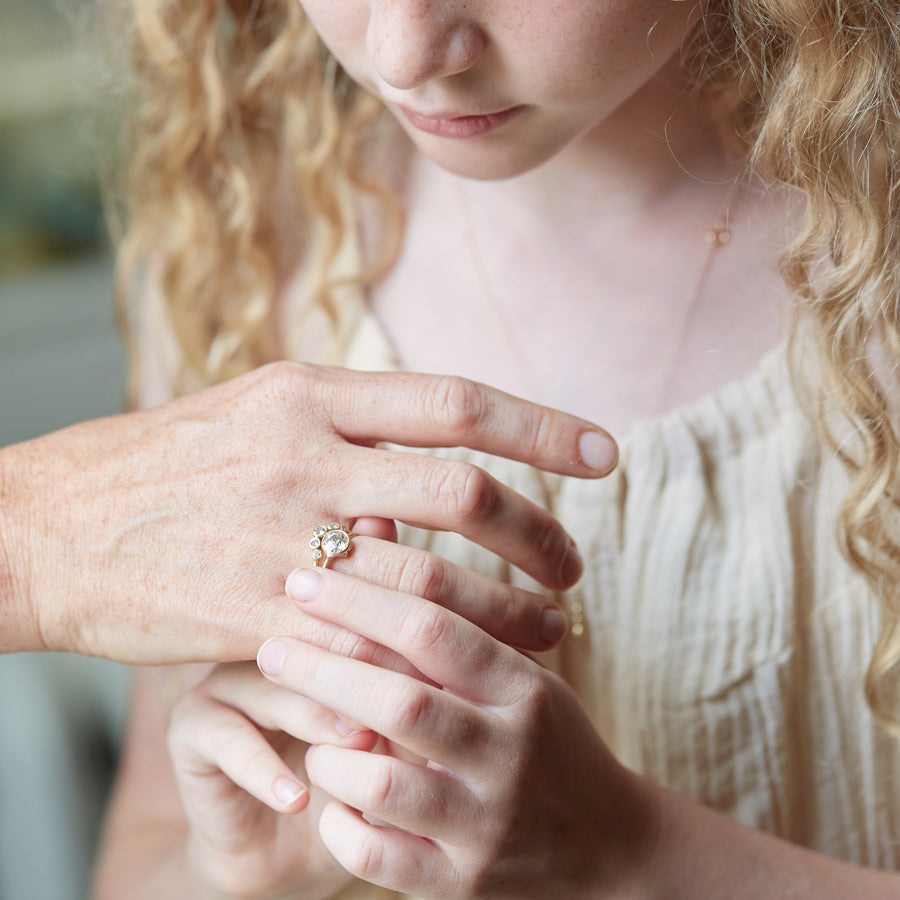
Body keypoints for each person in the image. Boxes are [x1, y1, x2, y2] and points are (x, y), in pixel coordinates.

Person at [93, 0, 900, 897]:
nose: (405, 54)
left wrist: (629, 855)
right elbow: (143, 844)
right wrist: (236, 873)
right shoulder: (246, 258)